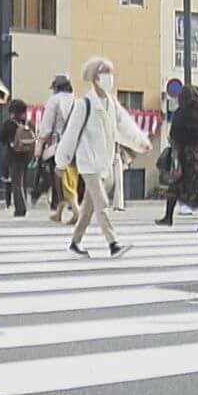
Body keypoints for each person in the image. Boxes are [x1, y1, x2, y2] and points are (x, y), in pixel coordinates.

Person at [56, 56, 149, 257]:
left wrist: (140, 141)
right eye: (104, 73)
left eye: (110, 73)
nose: (109, 78)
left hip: (104, 163)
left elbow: (124, 126)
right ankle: (113, 243)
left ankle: (75, 242)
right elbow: (71, 134)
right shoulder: (84, 104)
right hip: (88, 162)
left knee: (89, 207)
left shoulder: (112, 103)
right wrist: (61, 160)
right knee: (102, 203)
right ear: (94, 77)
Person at [157, 85, 198, 226]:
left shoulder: (181, 113)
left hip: (184, 154)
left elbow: (174, 135)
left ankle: (168, 217)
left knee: (175, 185)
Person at [36, 74, 79, 222]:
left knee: (59, 179)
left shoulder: (54, 101)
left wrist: (39, 145)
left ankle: (75, 209)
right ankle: (59, 212)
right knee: (70, 176)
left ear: (56, 87)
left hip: (58, 144)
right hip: (76, 145)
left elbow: (46, 127)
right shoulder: (77, 101)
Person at [0, 100, 37, 217]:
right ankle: (23, 203)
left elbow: (1, 139)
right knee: (23, 182)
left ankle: (20, 209)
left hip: (13, 156)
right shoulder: (29, 124)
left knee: (16, 183)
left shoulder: (9, 124)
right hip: (26, 156)